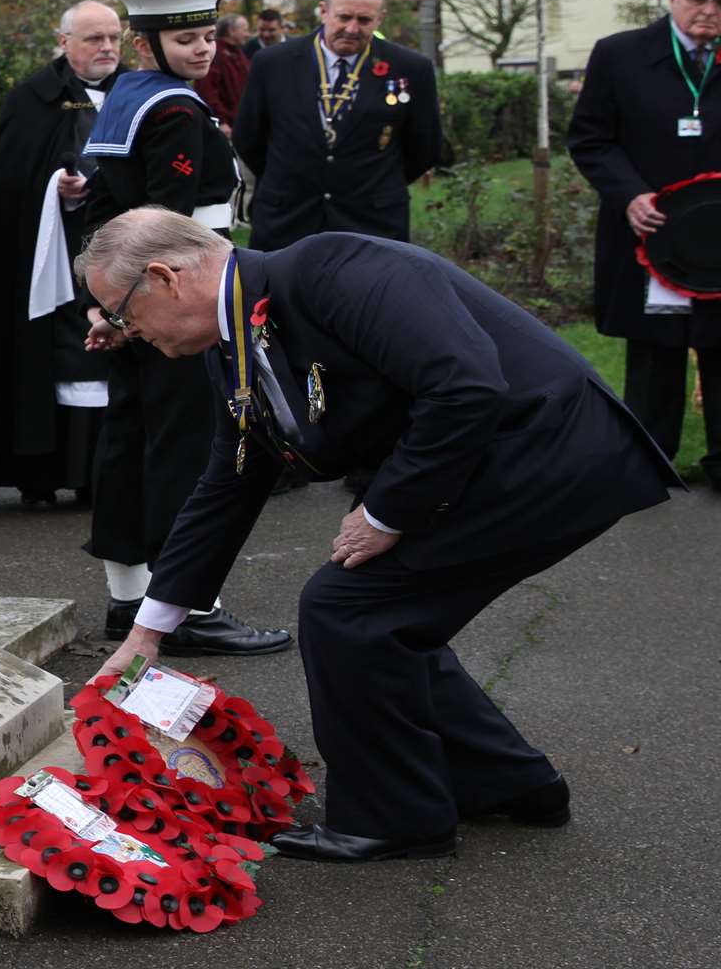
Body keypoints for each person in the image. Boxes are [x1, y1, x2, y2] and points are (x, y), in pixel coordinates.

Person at [81, 208, 680, 862]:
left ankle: (395, 819)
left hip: (550, 451)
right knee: (380, 615)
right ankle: (508, 782)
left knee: (349, 610)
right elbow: (231, 480)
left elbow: (465, 384)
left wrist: (384, 512)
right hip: (501, 461)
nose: (124, 332)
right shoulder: (234, 341)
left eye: (120, 312)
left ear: (165, 277)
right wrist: (148, 632)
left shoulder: (330, 269)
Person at [75, 0, 290, 657]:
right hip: (180, 295)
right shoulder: (172, 110)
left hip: (134, 295)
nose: (200, 49)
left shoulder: (125, 100)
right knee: (188, 447)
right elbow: (161, 226)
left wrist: (110, 307)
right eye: (184, 39)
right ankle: (191, 608)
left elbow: (98, 214)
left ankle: (129, 598)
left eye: (206, 38)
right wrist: (139, 309)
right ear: (148, 43)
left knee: (130, 439)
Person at [567, 0, 721, 489]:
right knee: (656, 352)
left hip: (718, 241)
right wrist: (628, 193)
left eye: (719, 3)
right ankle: (651, 465)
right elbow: (589, 138)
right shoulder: (621, 55)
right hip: (650, 237)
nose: (709, 12)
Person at [0, 0, 124, 507]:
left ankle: (107, 473)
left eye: (114, 38)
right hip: (54, 257)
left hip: (121, 251)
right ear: (64, 42)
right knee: (61, 352)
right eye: (94, 38)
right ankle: (47, 470)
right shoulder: (34, 98)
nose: (106, 48)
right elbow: (6, 179)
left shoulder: (136, 93)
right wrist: (55, 185)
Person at [234, 0, 442, 252]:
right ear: (323, 11)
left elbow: (424, 146)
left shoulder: (410, 68)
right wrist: (292, 172)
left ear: (380, 19)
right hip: (287, 220)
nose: (352, 29)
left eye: (364, 20)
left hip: (372, 223)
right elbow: (248, 137)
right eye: (343, 17)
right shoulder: (272, 63)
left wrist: (373, 180)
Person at [196, 13, 251, 133]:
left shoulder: (238, 53)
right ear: (232, 31)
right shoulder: (215, 55)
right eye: (245, 30)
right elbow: (207, 91)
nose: (248, 34)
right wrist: (221, 121)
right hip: (227, 127)